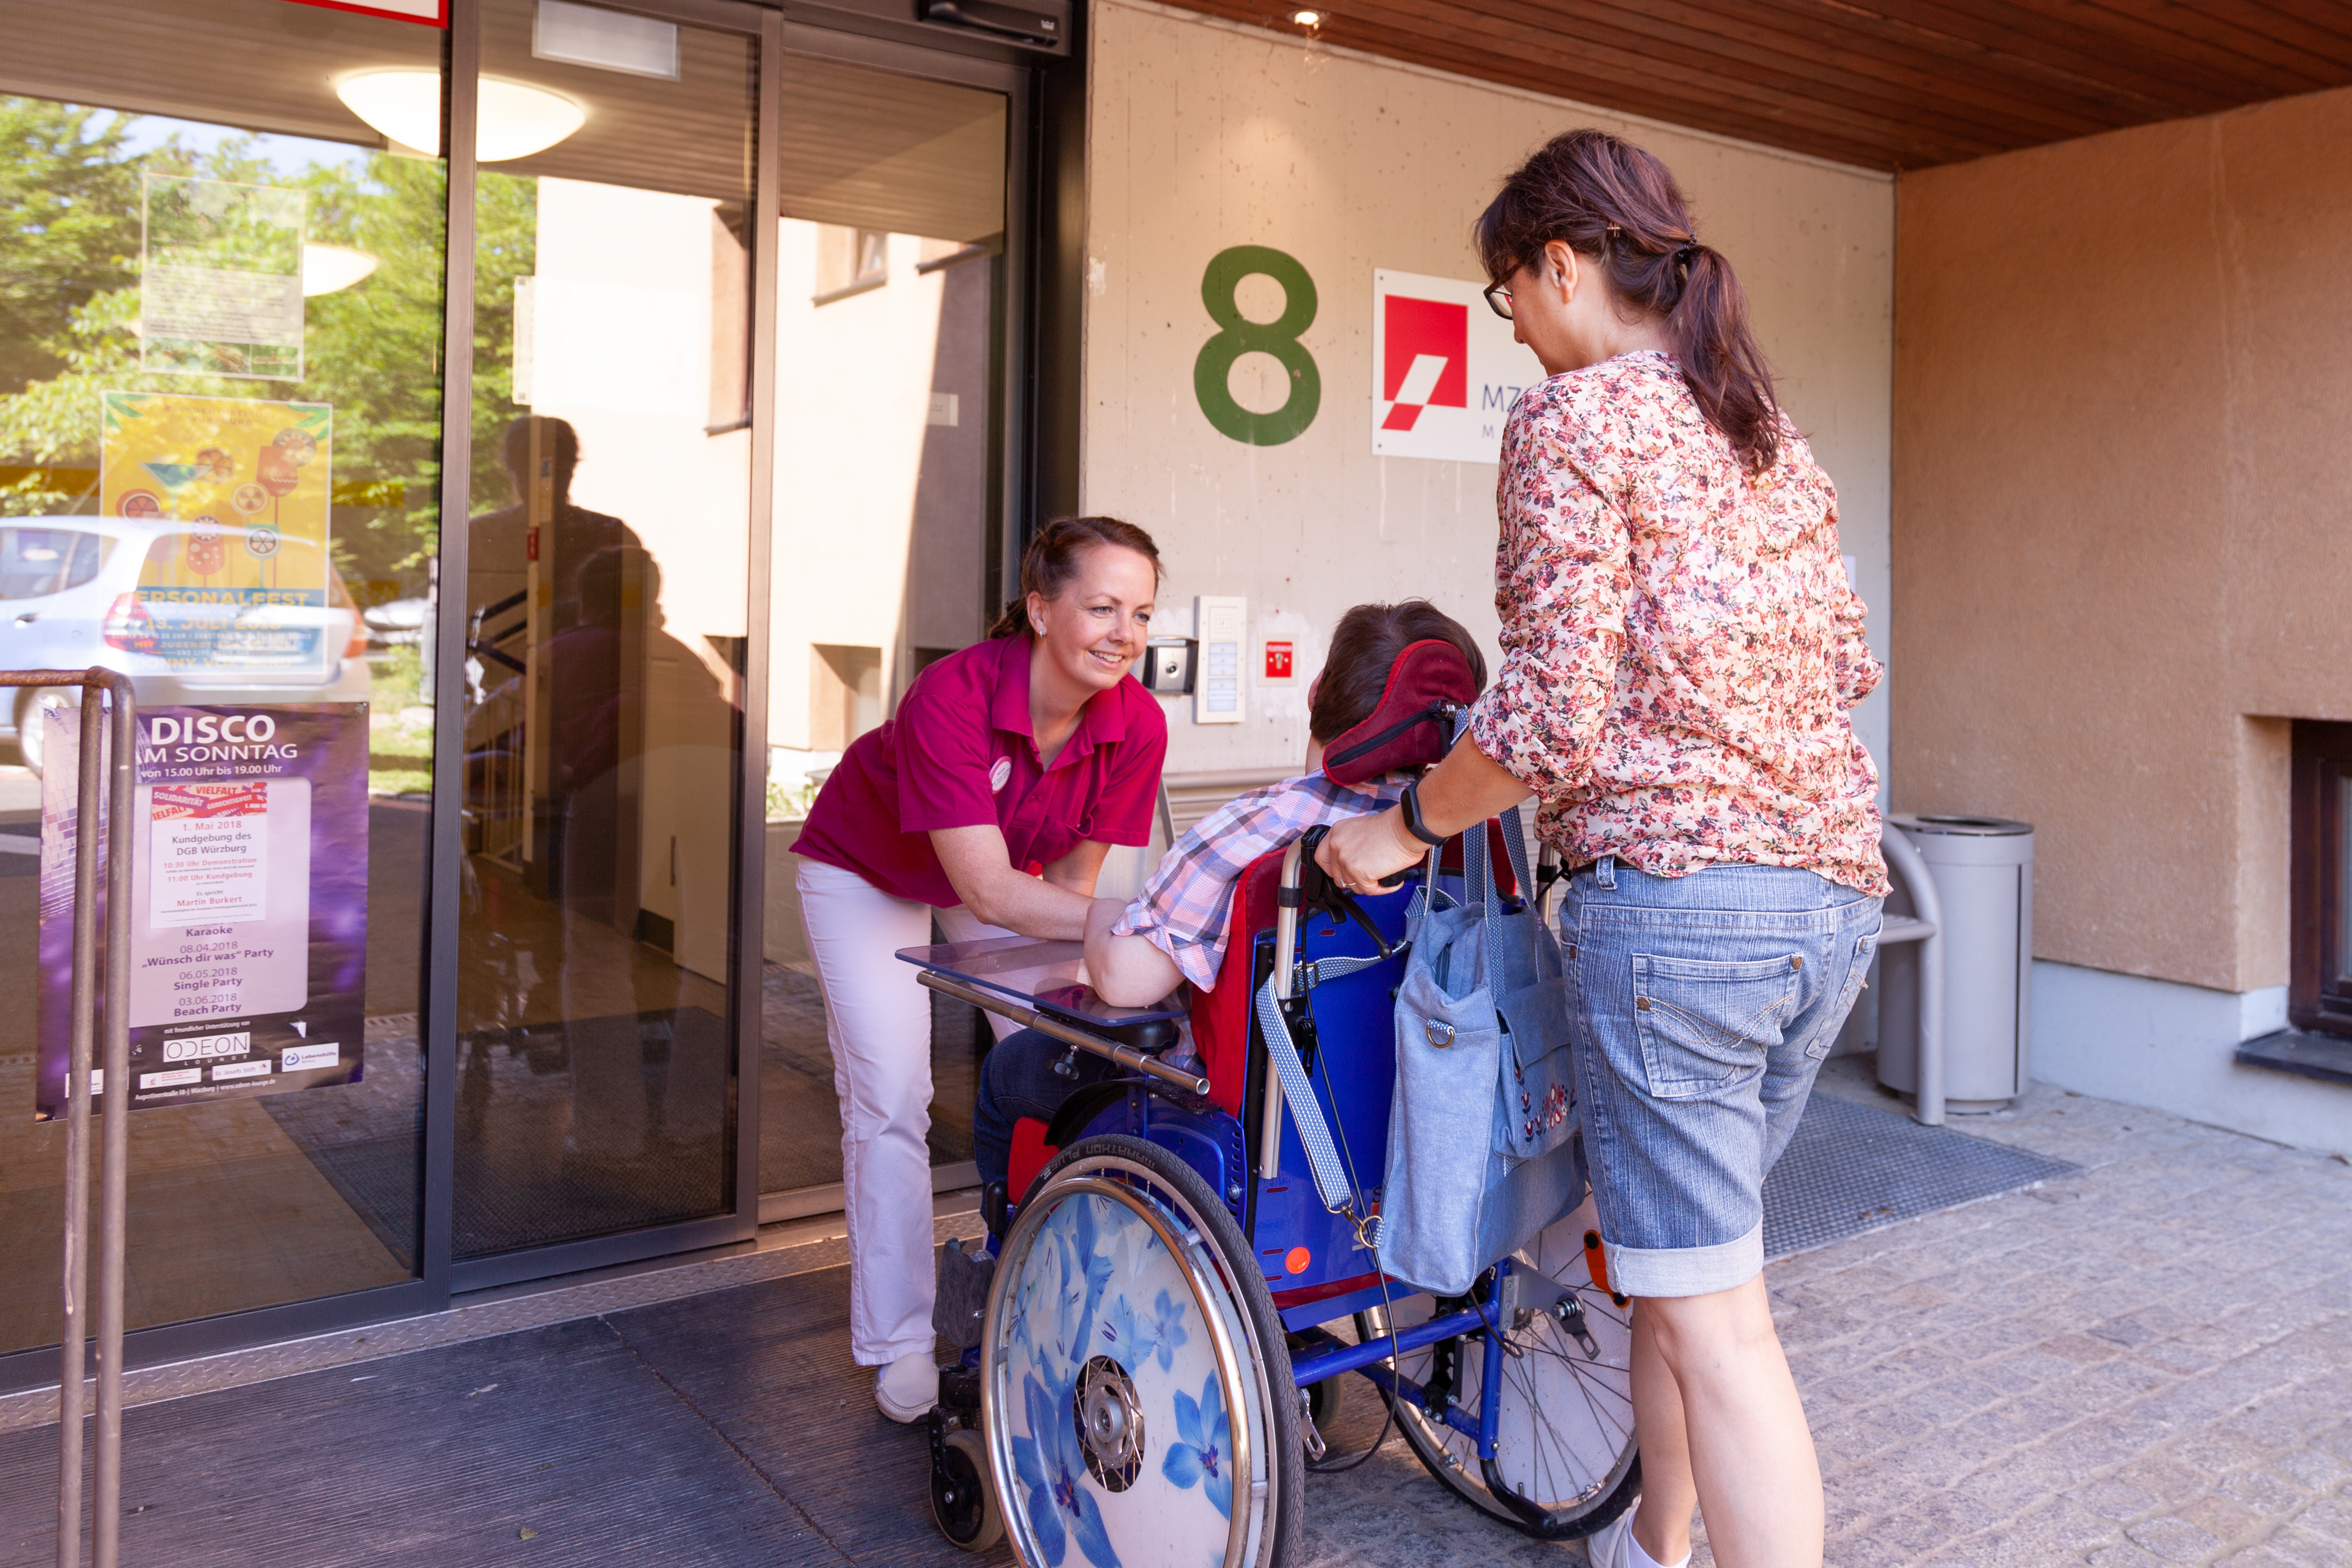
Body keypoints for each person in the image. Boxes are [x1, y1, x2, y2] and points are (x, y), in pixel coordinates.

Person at [1315, 130, 1885, 1568]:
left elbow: (1550, 714)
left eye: (1504, 286)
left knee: (1721, 1317)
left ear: (1558, 262)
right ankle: (1652, 1542)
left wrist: (1395, 829)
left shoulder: (1572, 421)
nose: (1505, 319)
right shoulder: (1762, 431)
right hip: (1826, 905)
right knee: (1679, 1277)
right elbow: (1847, 666)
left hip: (1680, 920)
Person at [791, 516, 1170, 1422]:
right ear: (1041, 609)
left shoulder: (1138, 723)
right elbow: (991, 891)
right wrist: (1133, 923)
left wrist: (1105, 946)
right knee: (891, 1097)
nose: (1126, 633)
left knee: (1073, 1064)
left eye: (1144, 614)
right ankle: (901, 1339)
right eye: (1103, 607)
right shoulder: (953, 695)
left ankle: (1055, 1290)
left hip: (1012, 883)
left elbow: (1068, 892)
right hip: (869, 867)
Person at [969, 599, 1487, 1198]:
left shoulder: (1263, 828)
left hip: (1228, 1123)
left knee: (1012, 1069)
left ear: (1318, 692)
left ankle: (1004, 1266)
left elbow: (1126, 981)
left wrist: (1106, 915)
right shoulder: (1471, 840)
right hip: (1404, 1124)